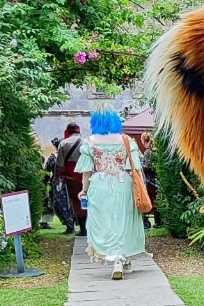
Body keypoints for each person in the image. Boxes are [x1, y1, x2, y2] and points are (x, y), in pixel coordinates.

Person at [76, 110, 148, 279]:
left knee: (105, 221)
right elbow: (135, 168)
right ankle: (124, 259)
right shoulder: (127, 141)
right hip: (123, 184)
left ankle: (115, 258)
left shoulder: (89, 143)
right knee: (124, 220)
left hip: (99, 186)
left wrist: (84, 191)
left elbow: (86, 172)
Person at [55, 122, 87, 236]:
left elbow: (59, 164)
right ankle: (88, 226)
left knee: (75, 202)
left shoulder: (63, 143)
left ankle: (83, 228)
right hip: (85, 175)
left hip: (71, 176)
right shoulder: (86, 142)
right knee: (87, 200)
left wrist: (57, 178)